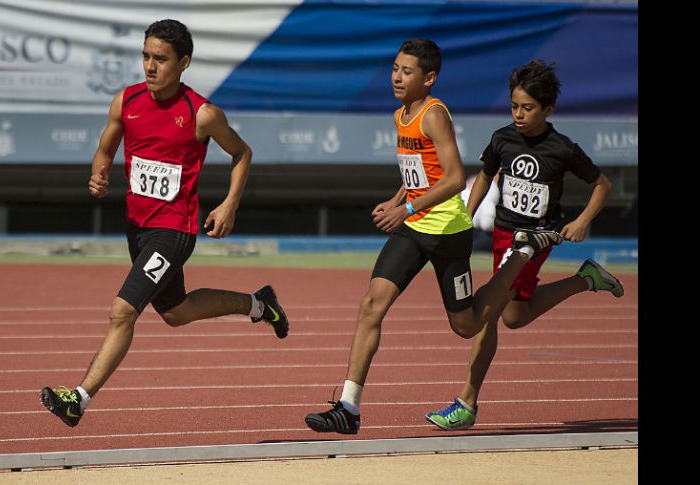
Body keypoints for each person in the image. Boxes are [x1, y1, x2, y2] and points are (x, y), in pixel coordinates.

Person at [304, 40, 563, 435]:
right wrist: (396, 200)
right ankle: (349, 408)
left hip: (447, 232)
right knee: (372, 304)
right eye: (394, 68)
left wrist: (405, 209)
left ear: (429, 78)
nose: (396, 76)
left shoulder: (433, 114)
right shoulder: (400, 115)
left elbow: (456, 178)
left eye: (406, 71)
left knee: (466, 325)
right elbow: (417, 174)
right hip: (413, 230)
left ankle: (521, 255)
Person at [39, 19, 289, 427]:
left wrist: (229, 205)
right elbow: (104, 149)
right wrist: (99, 173)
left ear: (183, 62)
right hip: (136, 226)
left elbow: (242, 153)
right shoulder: (126, 101)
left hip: (173, 231)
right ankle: (259, 304)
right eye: (145, 56)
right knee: (176, 312)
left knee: (122, 312)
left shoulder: (201, 114)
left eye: (160, 59)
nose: (150, 67)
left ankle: (78, 399)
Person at [424, 59, 624, 431]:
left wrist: (581, 222)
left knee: (486, 312)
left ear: (548, 109)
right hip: (503, 234)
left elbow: (603, 185)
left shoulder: (562, 148)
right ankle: (586, 279)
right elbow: (484, 177)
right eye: (514, 106)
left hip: (534, 240)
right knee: (513, 317)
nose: (518, 114)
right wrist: (466, 218)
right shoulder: (502, 138)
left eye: (527, 108)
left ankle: (466, 403)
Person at [461, 174, 499, 251]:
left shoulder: (473, 178)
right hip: (473, 232)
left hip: (457, 226)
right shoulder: (492, 186)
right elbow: (487, 223)